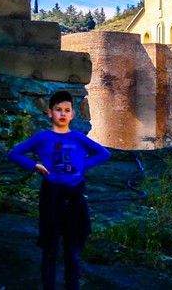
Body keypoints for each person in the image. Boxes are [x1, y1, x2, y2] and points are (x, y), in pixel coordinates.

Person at [8, 91, 110, 290]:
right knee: (50, 250)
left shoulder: (79, 138)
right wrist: (34, 165)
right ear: (49, 113)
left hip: (74, 199)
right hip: (51, 198)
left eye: (67, 110)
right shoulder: (42, 138)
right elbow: (14, 153)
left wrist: (82, 166)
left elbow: (103, 153)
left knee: (72, 251)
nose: (62, 114)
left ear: (72, 115)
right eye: (58, 110)